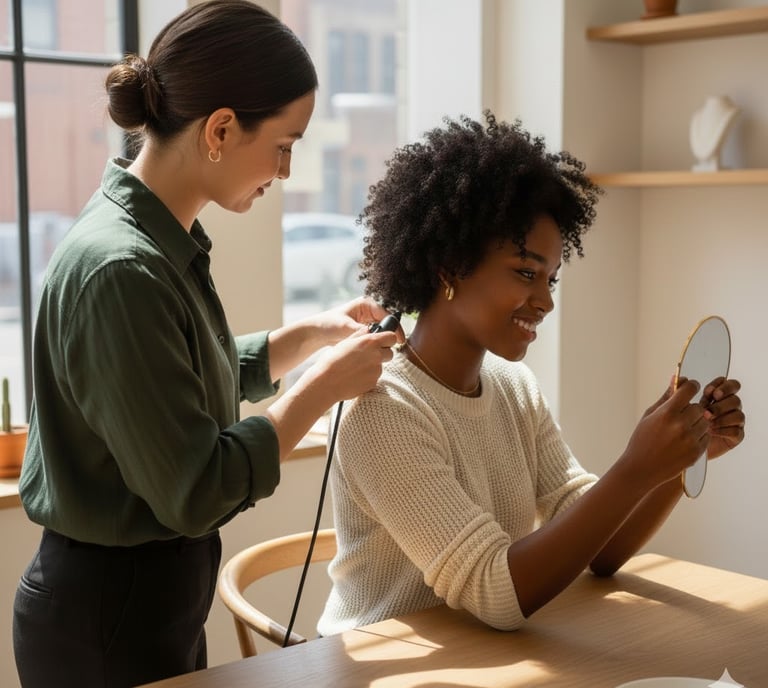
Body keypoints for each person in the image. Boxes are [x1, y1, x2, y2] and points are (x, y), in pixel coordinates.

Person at [12, 2, 398, 687]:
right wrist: (322, 388)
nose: (283, 170)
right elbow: (195, 488)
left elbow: (174, 384)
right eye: (284, 144)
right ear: (221, 128)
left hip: (144, 604)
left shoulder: (150, 245)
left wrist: (306, 338)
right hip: (109, 619)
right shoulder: (122, 271)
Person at [317, 112, 745, 636]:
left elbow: (601, 548)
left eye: (551, 279)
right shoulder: (382, 410)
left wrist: (674, 462)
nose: (544, 301)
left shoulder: (512, 387)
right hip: (381, 669)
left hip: (485, 661)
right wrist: (635, 467)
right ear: (449, 267)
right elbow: (497, 593)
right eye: (525, 273)